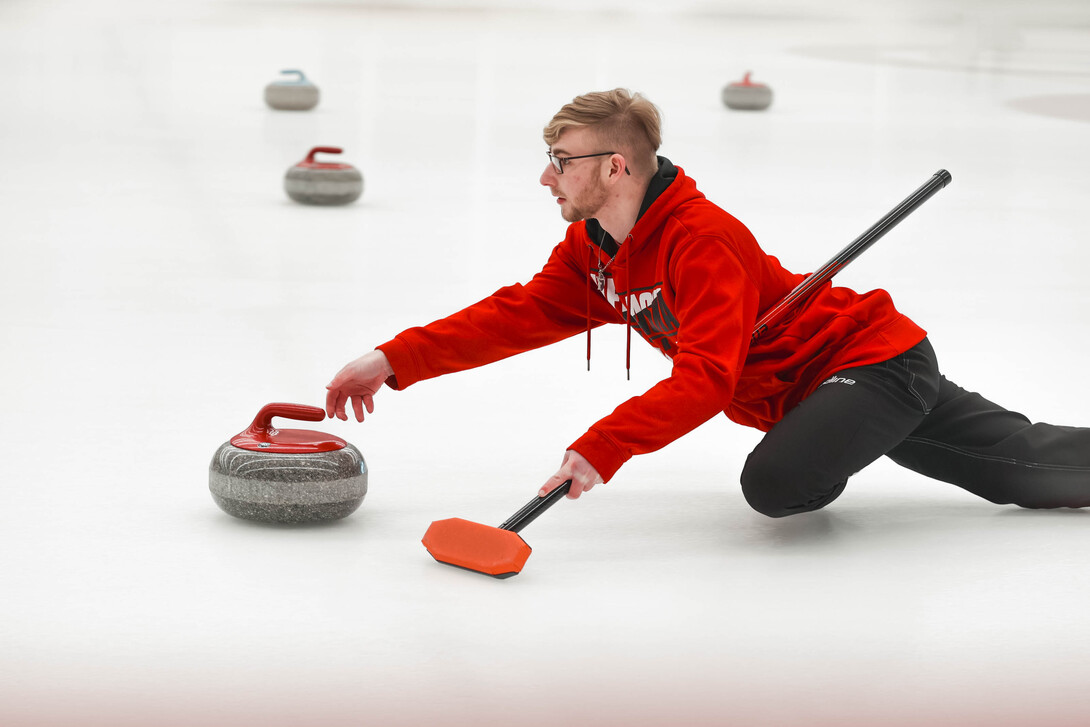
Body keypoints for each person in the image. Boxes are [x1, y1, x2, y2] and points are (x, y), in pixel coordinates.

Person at [325, 88, 1090, 516]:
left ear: (615, 165)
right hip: (816, 389)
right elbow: (516, 315)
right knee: (1017, 469)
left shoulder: (703, 241)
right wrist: (392, 359)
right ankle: (848, 423)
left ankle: (847, 421)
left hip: (872, 361)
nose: (546, 177)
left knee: (779, 484)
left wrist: (604, 444)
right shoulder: (594, 247)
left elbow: (706, 379)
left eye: (560, 161)